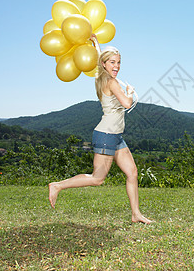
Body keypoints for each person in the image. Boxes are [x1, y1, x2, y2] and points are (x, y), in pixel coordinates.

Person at [48, 34, 152, 224]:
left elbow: (99, 60)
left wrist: (97, 45)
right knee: (97, 178)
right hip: (106, 135)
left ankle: (136, 214)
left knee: (132, 172)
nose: (117, 66)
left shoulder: (101, 76)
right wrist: (129, 92)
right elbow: (127, 104)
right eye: (112, 62)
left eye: (119, 62)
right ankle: (57, 186)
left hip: (116, 136)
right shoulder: (111, 82)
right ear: (105, 63)